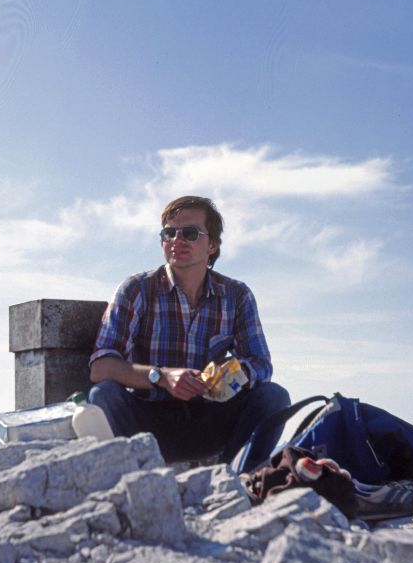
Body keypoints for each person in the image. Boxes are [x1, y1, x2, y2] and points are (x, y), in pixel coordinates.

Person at [88, 195, 290, 473]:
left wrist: (225, 376)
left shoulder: (236, 295)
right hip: (148, 424)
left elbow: (260, 364)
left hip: (210, 419)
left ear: (212, 245)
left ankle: (239, 481)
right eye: (169, 233)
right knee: (104, 394)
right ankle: (131, 479)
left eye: (190, 233)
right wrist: (162, 376)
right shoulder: (136, 289)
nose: (177, 240)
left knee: (274, 396)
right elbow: (101, 366)